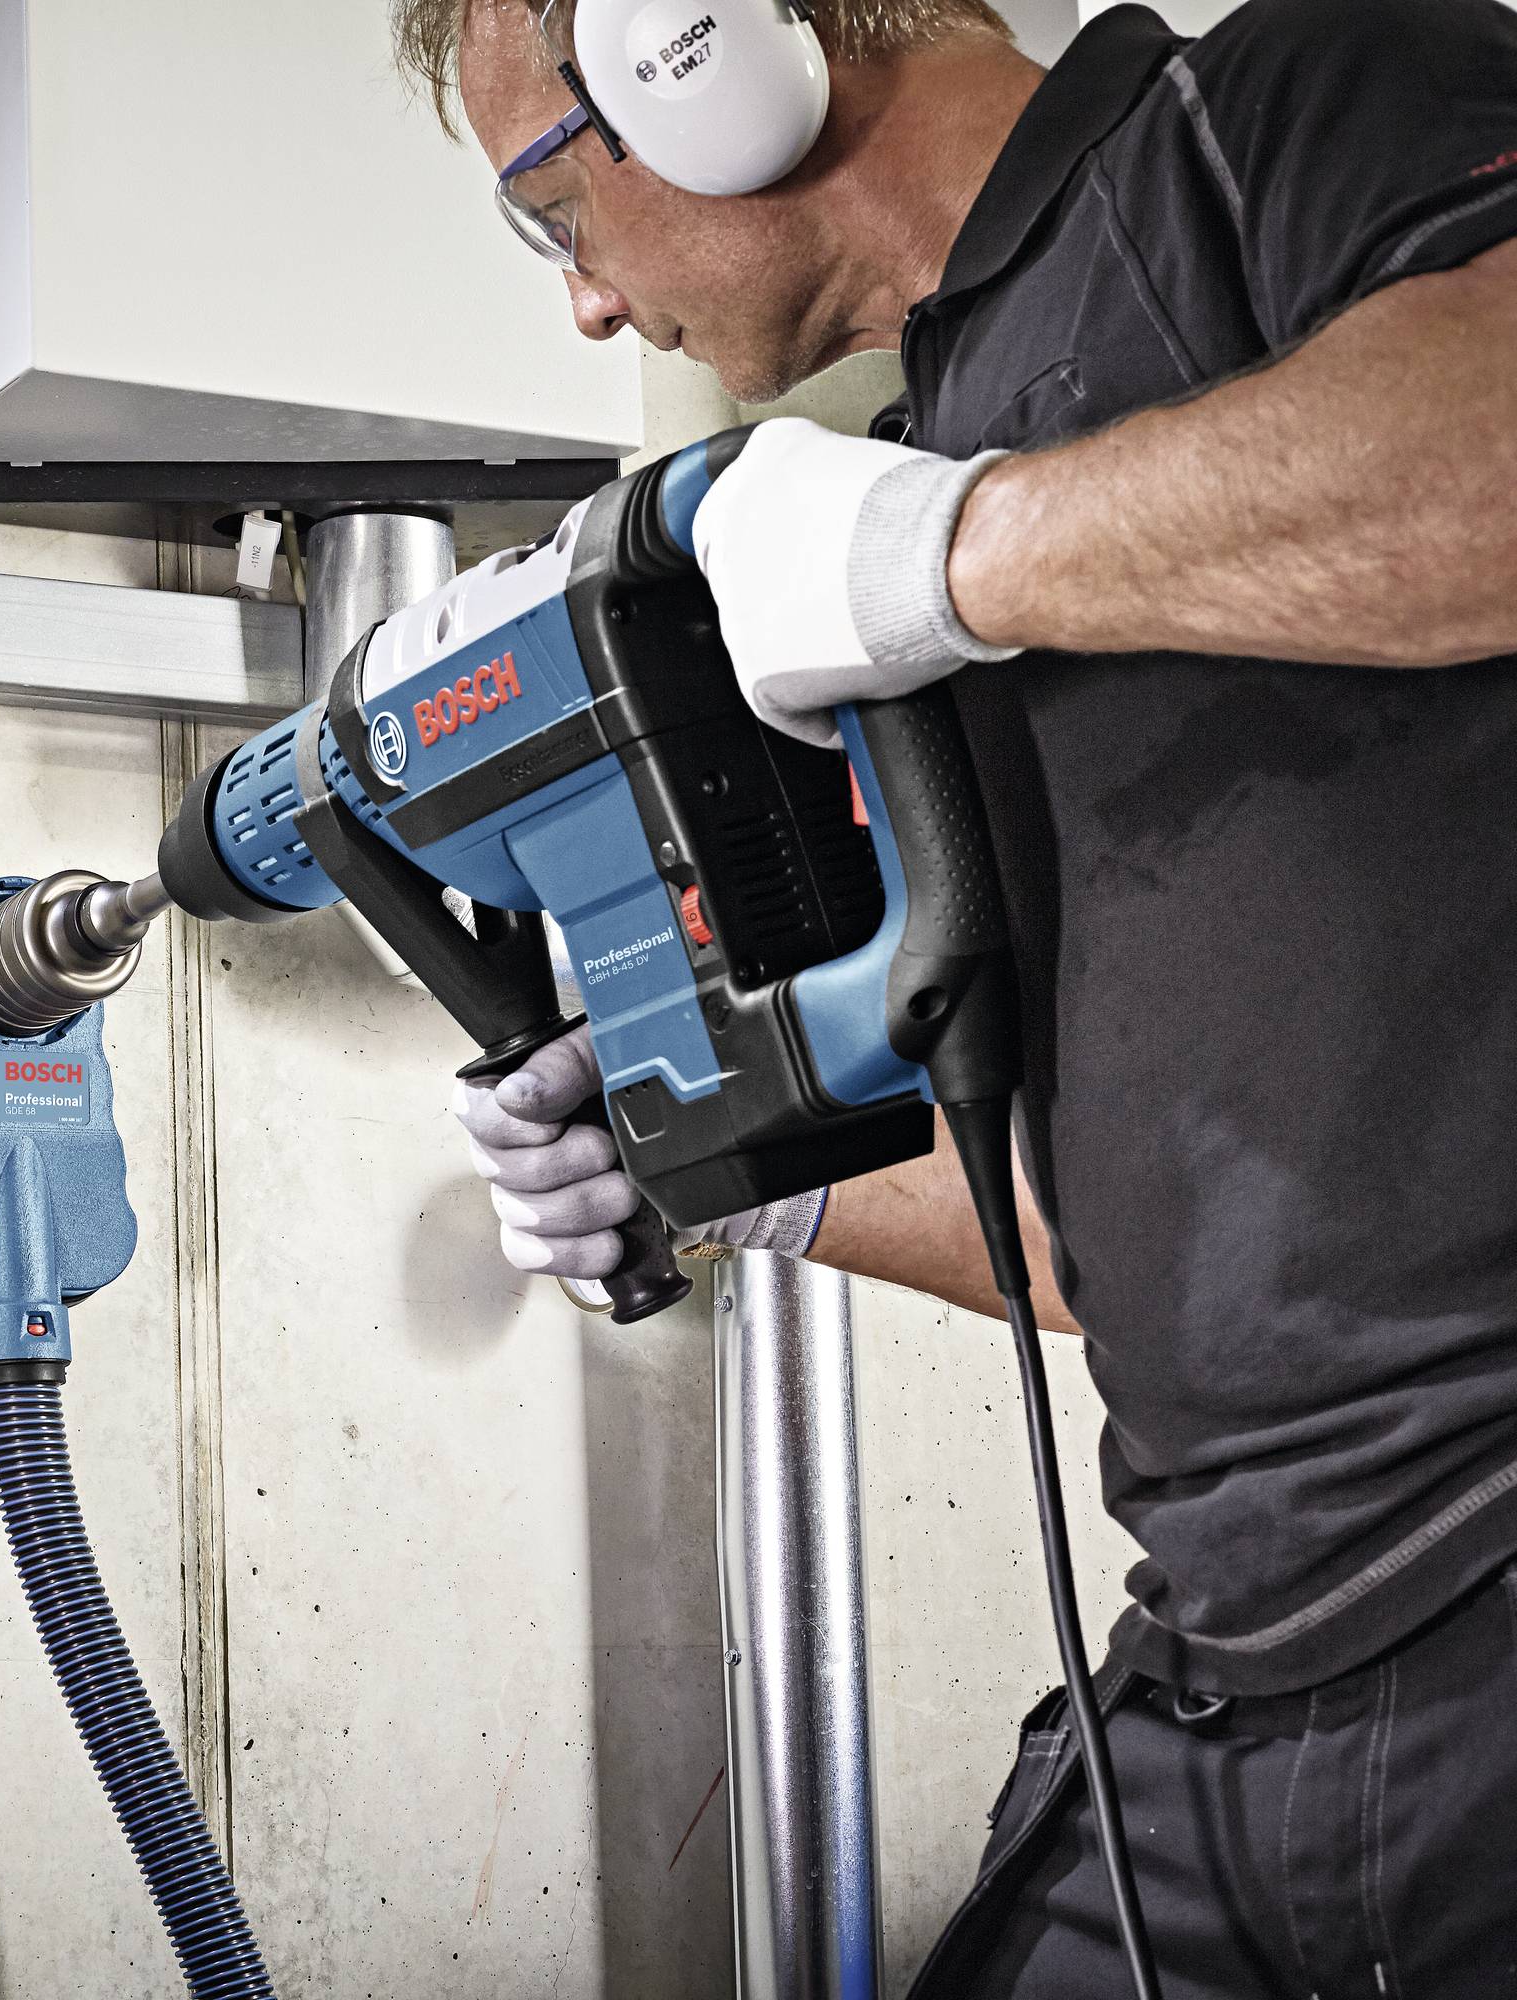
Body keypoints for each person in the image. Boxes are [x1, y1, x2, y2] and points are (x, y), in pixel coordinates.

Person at [400, 0, 1517, 1990]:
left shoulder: (1277, 116)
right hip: (1233, 1675)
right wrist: (754, 1185)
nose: (582, 301)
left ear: (702, 49)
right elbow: (1121, 1245)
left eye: (551, 202)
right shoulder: (907, 472)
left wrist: (962, 556)